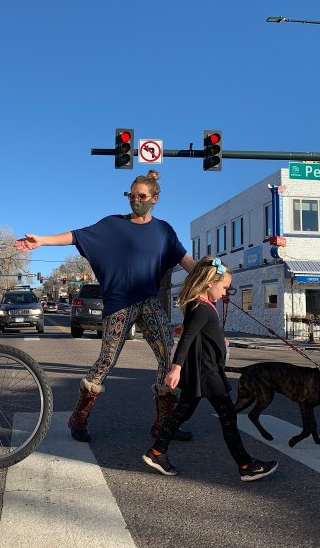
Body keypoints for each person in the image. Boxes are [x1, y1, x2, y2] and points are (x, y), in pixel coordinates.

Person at [15, 170, 196, 443]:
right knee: (107, 361)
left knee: (167, 359)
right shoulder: (112, 225)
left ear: (155, 198)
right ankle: (79, 418)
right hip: (119, 305)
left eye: (141, 196)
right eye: (131, 195)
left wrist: (211, 279)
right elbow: (76, 236)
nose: (135, 200)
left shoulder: (164, 231)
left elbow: (187, 263)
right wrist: (41, 240)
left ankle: (163, 426)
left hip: (148, 301)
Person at [142, 256, 278, 481]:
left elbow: (200, 338)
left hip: (201, 372)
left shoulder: (203, 306)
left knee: (182, 413)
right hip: (207, 374)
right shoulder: (201, 308)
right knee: (228, 418)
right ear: (209, 284)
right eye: (224, 287)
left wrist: (217, 344)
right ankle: (245, 465)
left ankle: (156, 452)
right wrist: (175, 368)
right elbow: (186, 339)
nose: (225, 293)